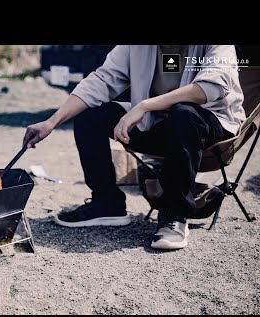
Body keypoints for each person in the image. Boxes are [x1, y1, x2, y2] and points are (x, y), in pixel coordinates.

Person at [22, 45, 245, 250]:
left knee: (184, 114)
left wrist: (144, 105)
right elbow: (101, 80)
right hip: (158, 121)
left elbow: (209, 88)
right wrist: (52, 121)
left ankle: (174, 216)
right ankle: (107, 203)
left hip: (210, 123)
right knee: (90, 116)